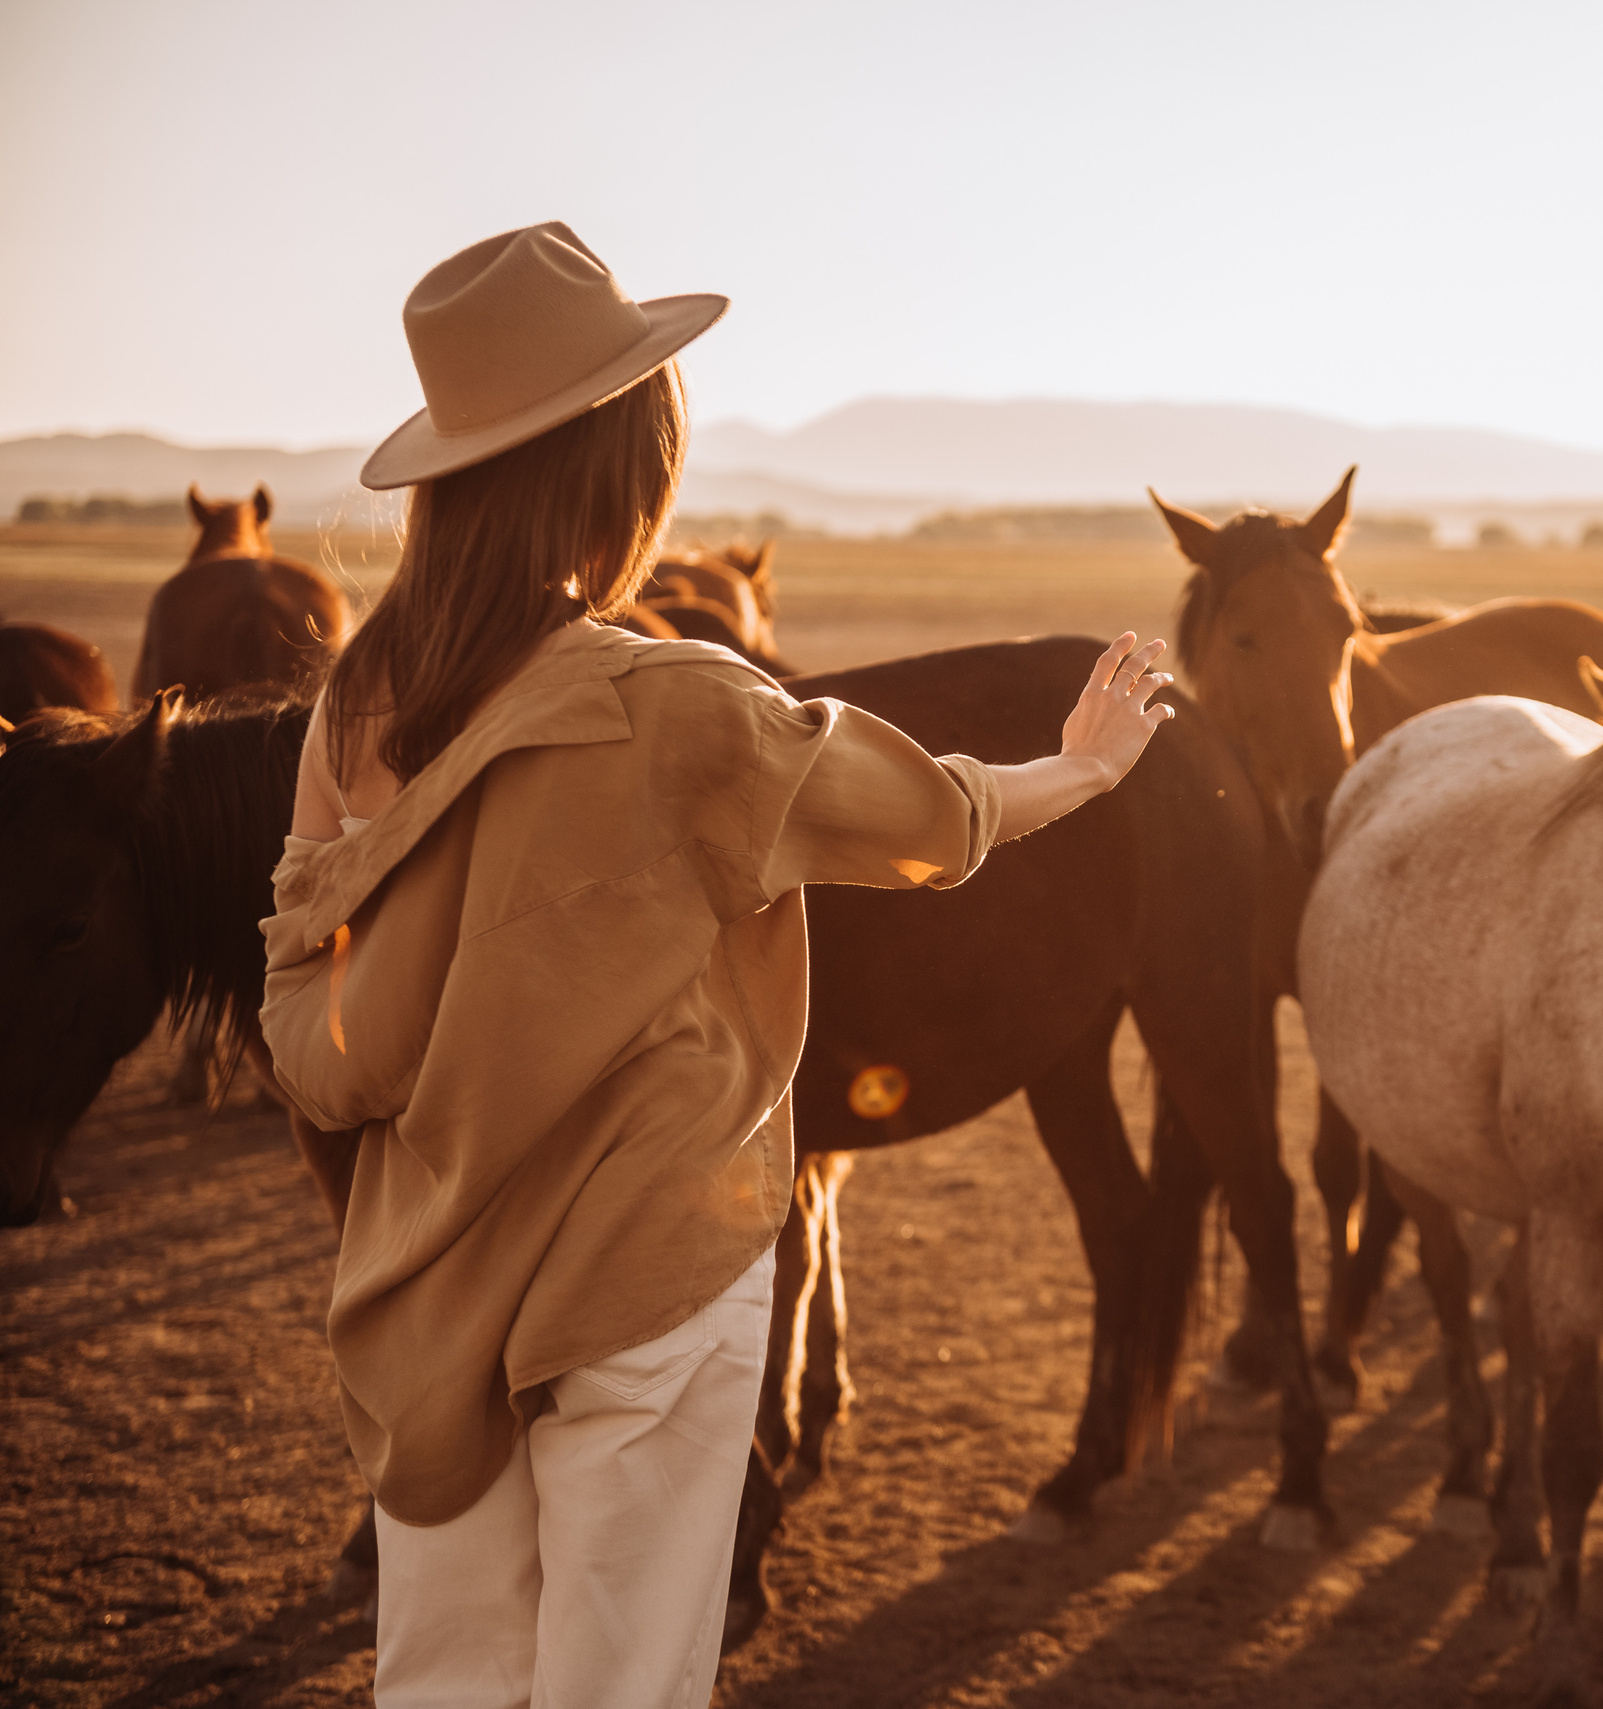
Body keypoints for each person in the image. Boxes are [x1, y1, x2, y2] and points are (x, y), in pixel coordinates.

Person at [258, 222, 1174, 1708]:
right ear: (619, 468)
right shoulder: (679, 704)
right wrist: (1079, 767)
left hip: (424, 1300)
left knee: (441, 1683)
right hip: (647, 1286)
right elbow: (938, 815)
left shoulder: (353, 711)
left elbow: (314, 1031)